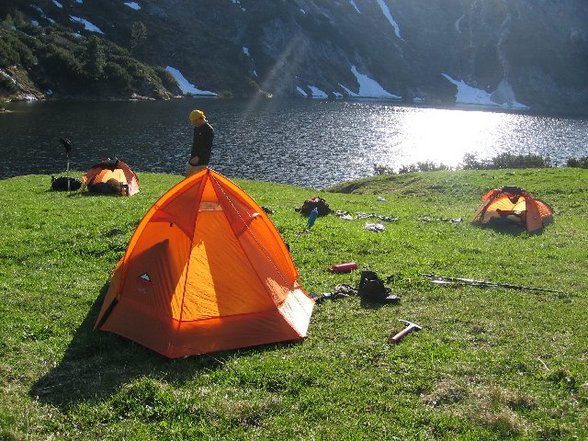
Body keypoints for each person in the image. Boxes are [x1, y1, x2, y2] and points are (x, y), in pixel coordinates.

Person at [186, 109, 214, 177]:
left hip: (203, 158)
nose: (194, 123)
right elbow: (195, 143)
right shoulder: (196, 128)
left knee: (199, 178)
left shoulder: (209, 130)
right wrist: (193, 156)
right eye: (193, 122)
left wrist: (198, 157)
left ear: (200, 118)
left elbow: (207, 146)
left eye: (195, 121)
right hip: (194, 156)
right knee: (188, 177)